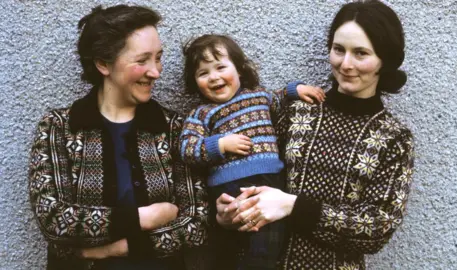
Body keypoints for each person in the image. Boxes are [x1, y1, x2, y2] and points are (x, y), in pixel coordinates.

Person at [215, 0, 415, 269]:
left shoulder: (394, 138)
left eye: (361, 53)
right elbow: (250, 172)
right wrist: (227, 213)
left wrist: (294, 207)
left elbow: (378, 229)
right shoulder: (297, 111)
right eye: (338, 49)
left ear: (384, 60)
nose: (345, 64)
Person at [28, 5, 208, 270]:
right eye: (142, 60)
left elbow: (196, 223)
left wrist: (114, 249)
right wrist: (144, 217)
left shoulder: (175, 128)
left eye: (158, 57)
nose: (156, 71)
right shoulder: (59, 127)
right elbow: (53, 219)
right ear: (103, 63)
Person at [179, 34, 324, 269]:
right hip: (229, 190)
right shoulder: (201, 113)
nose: (214, 77)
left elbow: (279, 98)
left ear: (240, 70)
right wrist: (220, 145)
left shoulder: (258, 95)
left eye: (220, 67)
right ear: (194, 81)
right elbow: (187, 148)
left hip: (270, 183)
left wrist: (295, 89)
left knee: (266, 247)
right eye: (203, 73)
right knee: (228, 248)